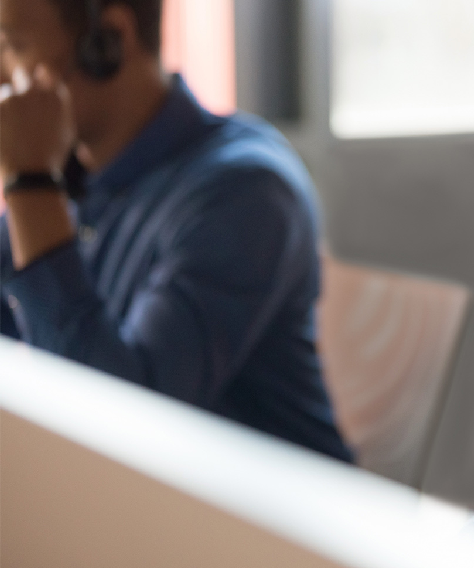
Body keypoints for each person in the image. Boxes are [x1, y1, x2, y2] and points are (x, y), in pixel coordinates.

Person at [0, 0, 351, 461]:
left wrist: (29, 182)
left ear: (108, 40)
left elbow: (119, 434)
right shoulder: (79, 178)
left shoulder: (247, 193)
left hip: (261, 523)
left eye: (14, 45)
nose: (4, 76)